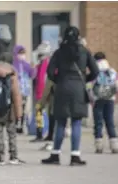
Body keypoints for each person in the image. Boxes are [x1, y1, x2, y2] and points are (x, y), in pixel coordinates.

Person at [41, 26, 99, 166]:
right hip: (78, 89)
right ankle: (75, 156)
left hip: (62, 88)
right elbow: (96, 71)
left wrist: (58, 80)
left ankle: (55, 154)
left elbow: (49, 72)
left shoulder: (59, 52)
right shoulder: (84, 51)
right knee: (76, 122)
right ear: (78, 37)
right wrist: (84, 79)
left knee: (61, 122)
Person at [0, 52, 23, 165]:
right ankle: (13, 157)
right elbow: (16, 94)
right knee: (11, 133)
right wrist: (19, 113)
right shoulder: (12, 73)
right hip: (9, 109)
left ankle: (1, 157)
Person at [92, 52, 118, 154]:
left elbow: (89, 86)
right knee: (110, 122)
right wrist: (114, 96)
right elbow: (117, 86)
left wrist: (91, 99)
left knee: (98, 123)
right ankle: (114, 145)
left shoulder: (94, 71)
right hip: (110, 99)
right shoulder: (112, 71)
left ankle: (99, 146)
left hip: (98, 98)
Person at [12, 45, 36, 134]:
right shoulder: (13, 65)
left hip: (25, 90)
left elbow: (32, 75)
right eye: (20, 53)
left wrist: (33, 68)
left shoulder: (26, 65)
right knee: (16, 108)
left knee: (23, 107)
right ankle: (15, 124)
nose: (22, 55)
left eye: (23, 53)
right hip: (16, 89)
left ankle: (20, 126)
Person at [35, 78, 55, 151]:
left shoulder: (53, 72)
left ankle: (51, 144)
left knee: (53, 123)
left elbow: (47, 90)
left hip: (55, 102)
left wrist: (41, 104)